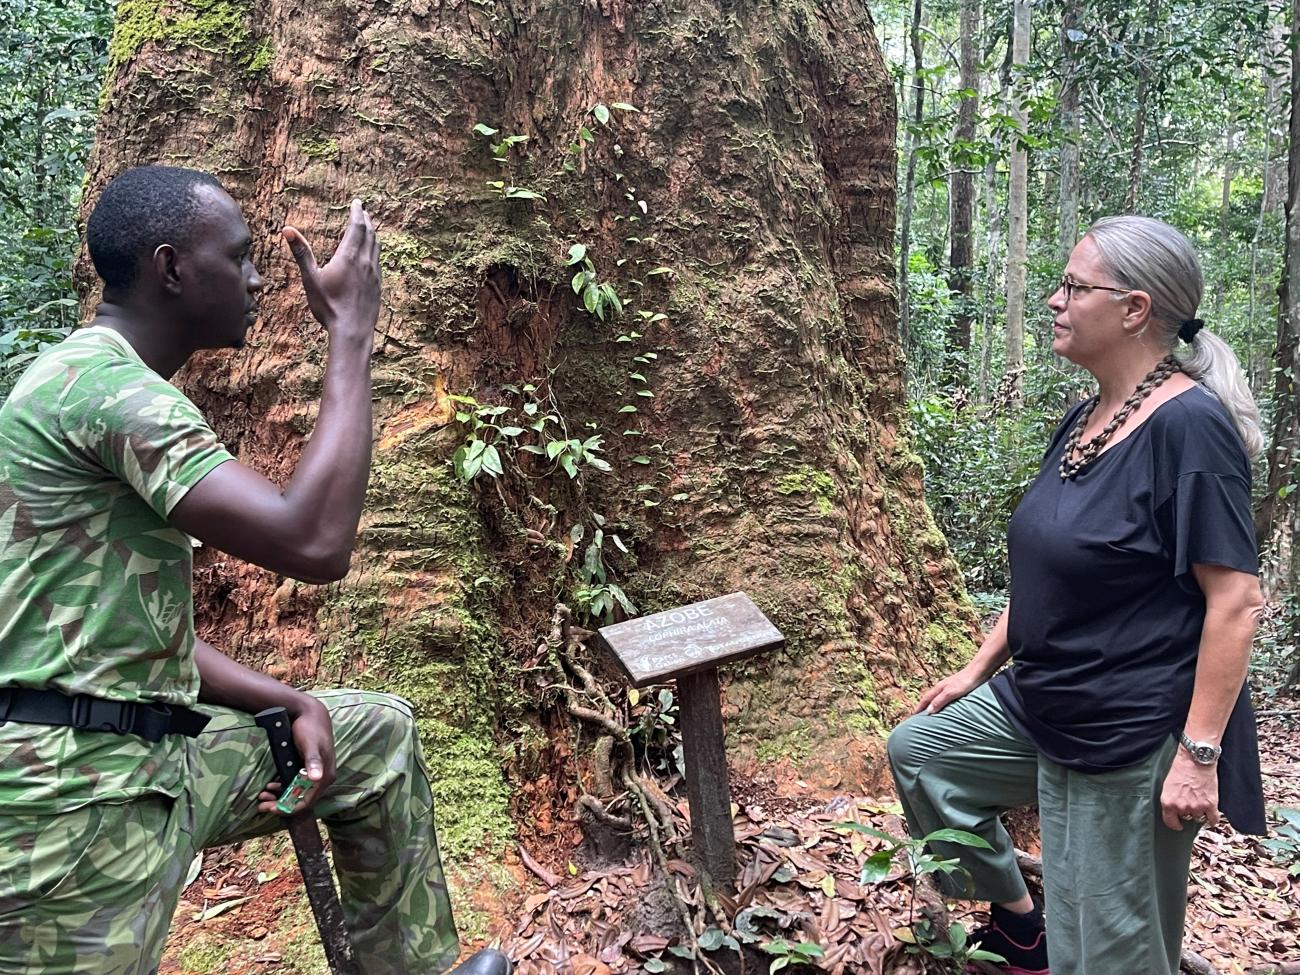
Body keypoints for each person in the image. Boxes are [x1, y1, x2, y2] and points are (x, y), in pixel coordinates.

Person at [0, 165, 511, 975]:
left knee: (372, 734)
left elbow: (108, 632)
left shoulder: (72, 381)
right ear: (171, 269)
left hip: (154, 760)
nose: (257, 277)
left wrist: (286, 696)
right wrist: (349, 331)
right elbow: (312, 542)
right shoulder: (107, 391)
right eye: (236, 257)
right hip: (72, 803)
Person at [887, 215, 1266, 975]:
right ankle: (1023, 925)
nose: (1056, 301)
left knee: (1108, 952)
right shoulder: (1089, 416)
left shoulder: (1190, 428)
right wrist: (977, 666)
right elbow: (1048, 567)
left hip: (1125, 727)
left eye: (1073, 286)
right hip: (1044, 697)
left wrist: (1197, 756)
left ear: (1134, 309)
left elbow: (1237, 600)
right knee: (922, 752)